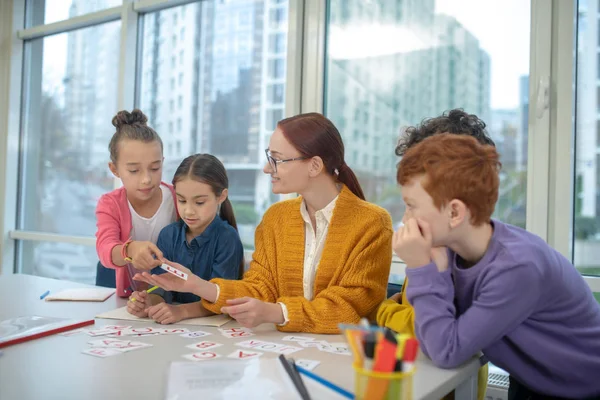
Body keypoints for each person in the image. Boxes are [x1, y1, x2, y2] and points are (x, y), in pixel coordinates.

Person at [134, 112, 393, 333]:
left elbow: (350, 307)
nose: (267, 169)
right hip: (283, 350)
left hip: (345, 357)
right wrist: (197, 285)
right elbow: (260, 287)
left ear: (314, 166)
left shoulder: (372, 223)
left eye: (277, 159)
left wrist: (278, 313)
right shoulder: (276, 218)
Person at [394, 133, 600, 399]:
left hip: (582, 389)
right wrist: (436, 271)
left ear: (454, 213)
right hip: (534, 380)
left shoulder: (517, 267)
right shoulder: (451, 250)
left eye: (411, 206)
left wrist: (422, 268)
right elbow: (434, 339)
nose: (404, 218)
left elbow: (446, 351)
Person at [375, 109, 490, 400]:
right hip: (413, 375)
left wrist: (387, 312)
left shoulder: (471, 258)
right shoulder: (435, 241)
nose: (407, 213)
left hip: (445, 386)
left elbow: (429, 332)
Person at [126, 154, 244, 324]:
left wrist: (181, 311)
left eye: (200, 202)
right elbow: (161, 288)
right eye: (181, 200)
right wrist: (148, 302)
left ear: (221, 196)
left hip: (215, 329)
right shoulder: (168, 235)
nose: (188, 211)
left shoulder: (227, 238)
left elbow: (223, 298)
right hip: (176, 331)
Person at [95, 109, 177, 298]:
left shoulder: (177, 199)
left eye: (155, 168)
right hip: (129, 301)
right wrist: (129, 249)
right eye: (134, 170)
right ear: (114, 169)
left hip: (172, 302)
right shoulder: (110, 204)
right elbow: (105, 249)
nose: (146, 179)